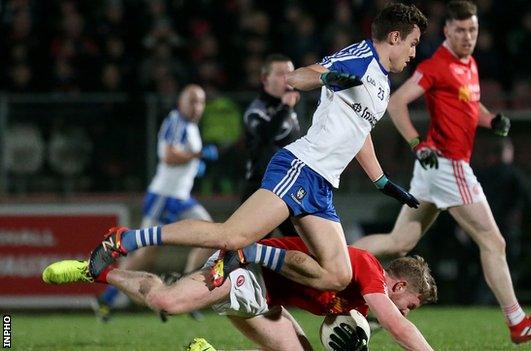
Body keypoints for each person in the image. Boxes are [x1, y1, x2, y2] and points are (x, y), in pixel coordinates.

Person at [86, 3, 427, 296]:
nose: (414, 53)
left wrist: (381, 181)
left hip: (323, 184)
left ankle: (251, 253)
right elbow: (296, 78)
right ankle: (125, 239)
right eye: (412, 44)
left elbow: (359, 131)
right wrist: (328, 78)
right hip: (301, 167)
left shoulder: (382, 83)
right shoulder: (360, 56)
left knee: (338, 275)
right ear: (394, 37)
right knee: (228, 234)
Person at [352, 1, 531, 344]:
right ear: (447, 30)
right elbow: (397, 102)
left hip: (436, 168)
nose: (468, 36)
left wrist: (491, 119)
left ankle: (339, 268)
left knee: (399, 241)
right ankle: (517, 321)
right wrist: (417, 143)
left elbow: (469, 103)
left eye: (473, 31)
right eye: (461, 30)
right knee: (493, 241)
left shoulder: (469, 64)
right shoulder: (438, 65)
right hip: (446, 164)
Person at [43, 236, 438, 350]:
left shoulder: (360, 306)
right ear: (398, 285)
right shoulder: (368, 267)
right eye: (410, 306)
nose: (405, 315)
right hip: (247, 268)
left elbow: (338, 317)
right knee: (165, 301)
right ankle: (99, 270)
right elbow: (397, 327)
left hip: (267, 300)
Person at [94, 84, 217, 322]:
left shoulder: (190, 126)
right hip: (164, 197)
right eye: (192, 101)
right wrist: (197, 156)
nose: (196, 106)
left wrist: (193, 167)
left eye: (200, 102)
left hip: (181, 197)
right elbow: (169, 156)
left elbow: (179, 159)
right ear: (180, 102)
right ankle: (107, 298)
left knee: (211, 236)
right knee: (145, 255)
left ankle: (187, 289)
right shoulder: (176, 122)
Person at [241, 54, 302, 237]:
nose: (288, 78)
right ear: (265, 79)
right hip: (260, 187)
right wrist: (284, 108)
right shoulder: (256, 109)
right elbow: (266, 135)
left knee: (297, 245)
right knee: (247, 245)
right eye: (281, 73)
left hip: (286, 185)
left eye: (291, 73)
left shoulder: (288, 107)